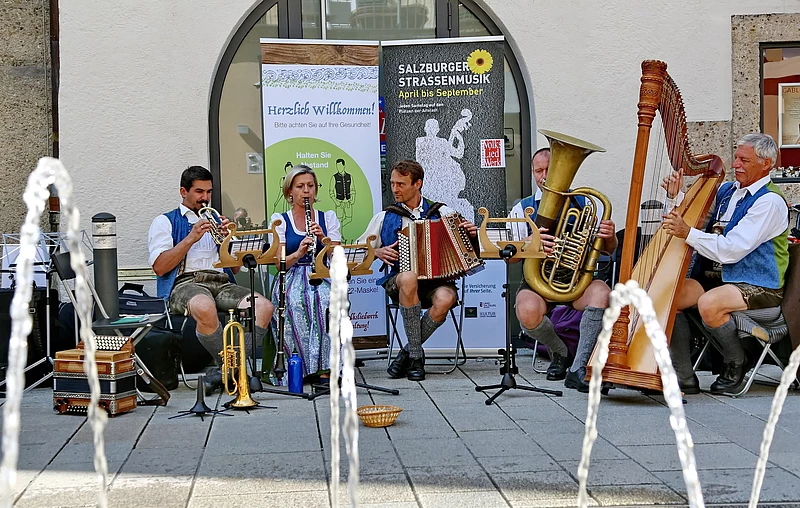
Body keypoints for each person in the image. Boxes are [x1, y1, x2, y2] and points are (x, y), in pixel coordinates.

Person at [662, 133, 789, 395]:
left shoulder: (769, 202)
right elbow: (694, 219)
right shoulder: (727, 191)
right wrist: (677, 197)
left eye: (744, 160)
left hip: (760, 285)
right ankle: (684, 375)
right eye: (736, 157)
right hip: (720, 279)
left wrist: (687, 233)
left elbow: (731, 249)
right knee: (667, 296)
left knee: (710, 303)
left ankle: (736, 362)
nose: (735, 164)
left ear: (766, 164)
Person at [148, 165, 274, 395]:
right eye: (199, 191)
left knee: (264, 307)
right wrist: (191, 238)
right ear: (183, 192)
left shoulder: (217, 221)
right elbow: (160, 267)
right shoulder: (165, 221)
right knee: (205, 307)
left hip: (222, 282)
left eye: (209, 192)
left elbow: (235, 267)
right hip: (186, 284)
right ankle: (235, 370)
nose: (205, 198)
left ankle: (225, 371)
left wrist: (228, 239)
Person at [508, 147, 618, 392]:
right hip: (539, 281)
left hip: (578, 280)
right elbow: (510, 259)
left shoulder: (586, 203)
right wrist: (528, 244)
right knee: (526, 310)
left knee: (603, 293)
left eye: (550, 169)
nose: (545, 176)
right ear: (532, 172)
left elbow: (608, 250)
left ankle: (579, 367)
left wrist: (609, 237)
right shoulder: (522, 209)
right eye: (539, 171)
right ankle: (560, 352)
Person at [359, 159, 479, 381]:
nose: (394, 189)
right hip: (399, 282)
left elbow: (468, 250)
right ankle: (416, 357)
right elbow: (358, 251)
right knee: (408, 277)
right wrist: (376, 252)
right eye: (392, 183)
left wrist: (471, 235)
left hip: (436, 283)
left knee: (446, 298)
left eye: (401, 184)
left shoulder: (442, 212)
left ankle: (408, 352)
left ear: (418, 184)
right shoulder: (385, 217)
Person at [270, 164, 341, 384]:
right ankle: (298, 369)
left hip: (321, 272)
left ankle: (326, 369)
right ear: (289, 191)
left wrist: (323, 239)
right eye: (300, 186)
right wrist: (298, 252)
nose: (306, 190)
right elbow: (278, 263)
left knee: (327, 300)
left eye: (310, 185)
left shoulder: (327, 218)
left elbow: (336, 256)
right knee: (295, 301)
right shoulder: (280, 220)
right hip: (291, 275)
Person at [329, 158, 355, 230]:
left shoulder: (349, 176)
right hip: (339, 202)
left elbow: (352, 189)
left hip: (348, 202)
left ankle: (341, 231)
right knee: (339, 220)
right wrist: (336, 202)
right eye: (337, 166)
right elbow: (331, 191)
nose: (338, 168)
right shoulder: (334, 177)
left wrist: (352, 199)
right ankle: (341, 235)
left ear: (344, 166)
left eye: (340, 166)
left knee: (349, 218)